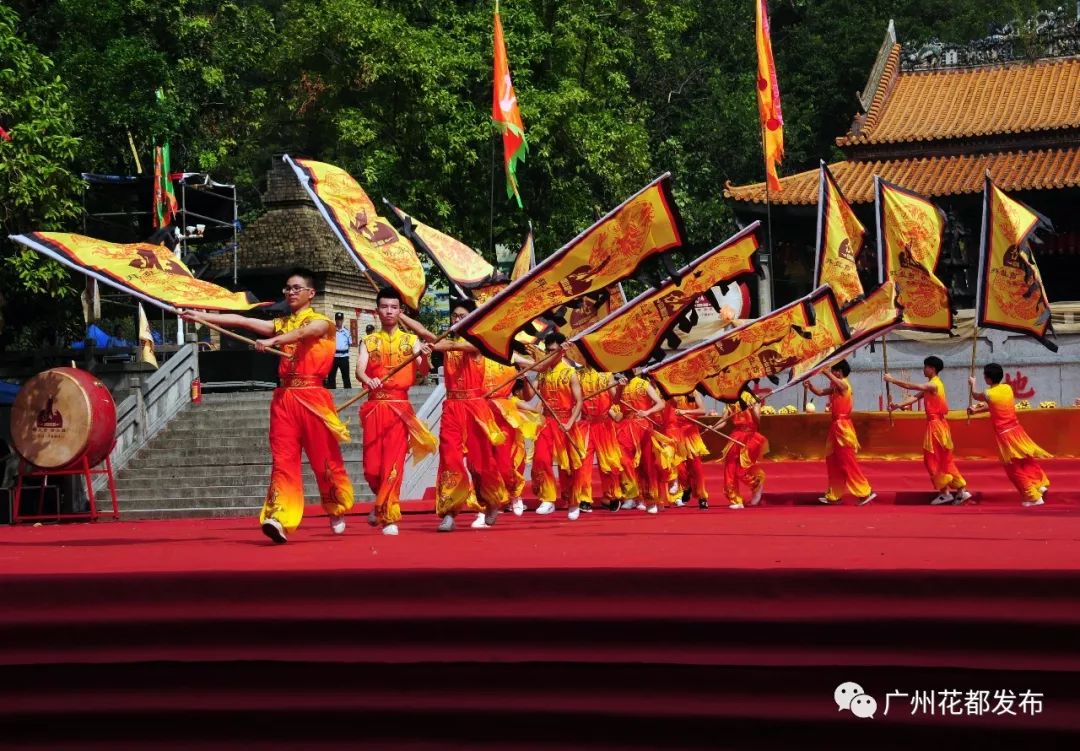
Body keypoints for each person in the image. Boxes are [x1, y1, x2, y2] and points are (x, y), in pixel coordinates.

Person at [181, 268, 354, 543]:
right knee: (283, 460)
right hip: (284, 400)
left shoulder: (322, 322)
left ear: (311, 293)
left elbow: (305, 332)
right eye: (287, 288)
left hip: (313, 398)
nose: (290, 292)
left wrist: (274, 341)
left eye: (296, 288)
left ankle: (335, 507)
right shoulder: (281, 323)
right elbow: (242, 321)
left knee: (324, 461)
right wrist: (201, 316)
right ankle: (280, 517)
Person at [400, 300, 508, 532]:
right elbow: (424, 333)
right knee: (450, 459)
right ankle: (449, 511)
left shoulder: (477, 341)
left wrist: (432, 345)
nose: (457, 320)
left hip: (475, 407)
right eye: (454, 317)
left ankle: (491, 501)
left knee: (480, 464)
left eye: (462, 316)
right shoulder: (447, 341)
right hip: (452, 407)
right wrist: (401, 315)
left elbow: (444, 344)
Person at [355, 287, 438, 536]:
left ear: (400, 311)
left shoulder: (411, 341)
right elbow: (359, 369)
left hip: (400, 409)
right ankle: (381, 503)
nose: (389, 311)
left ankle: (389, 516)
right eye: (384, 307)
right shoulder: (368, 341)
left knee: (393, 464)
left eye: (393, 307)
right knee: (371, 469)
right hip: (374, 408)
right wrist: (368, 380)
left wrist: (424, 357)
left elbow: (424, 371)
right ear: (377, 310)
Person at [884, 356, 971, 505]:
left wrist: (892, 380)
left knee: (932, 459)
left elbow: (912, 387)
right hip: (938, 426)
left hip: (936, 427)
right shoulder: (932, 385)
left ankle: (945, 492)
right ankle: (960, 490)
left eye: (925, 367)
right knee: (943, 459)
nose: (923, 369)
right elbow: (914, 397)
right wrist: (897, 405)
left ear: (932, 369)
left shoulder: (934, 385)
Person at [968, 362, 1051, 507]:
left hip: (1005, 435)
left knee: (1013, 468)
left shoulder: (989, 393)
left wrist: (972, 384)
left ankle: (1033, 497)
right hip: (1017, 431)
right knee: (1025, 460)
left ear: (988, 379)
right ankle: (1039, 484)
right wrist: (976, 411)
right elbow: (994, 405)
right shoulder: (1007, 388)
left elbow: (976, 396)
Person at [530, 333, 589, 519]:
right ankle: (547, 499)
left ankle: (573, 501)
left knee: (570, 465)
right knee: (540, 459)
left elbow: (579, 401)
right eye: (547, 351)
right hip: (546, 421)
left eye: (553, 351)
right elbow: (528, 395)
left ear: (562, 352)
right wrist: (523, 377)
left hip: (566, 421)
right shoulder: (543, 371)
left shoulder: (570, 372)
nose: (549, 354)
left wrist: (570, 422)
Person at [804, 360, 876, 506]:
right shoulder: (836, 387)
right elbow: (820, 392)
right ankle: (834, 495)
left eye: (834, 370)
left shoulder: (844, 384)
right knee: (833, 461)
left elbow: (838, 382)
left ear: (839, 371)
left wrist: (824, 370)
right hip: (835, 427)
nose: (832, 372)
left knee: (847, 461)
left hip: (843, 428)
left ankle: (865, 492)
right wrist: (810, 386)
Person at [615, 373, 673, 513]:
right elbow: (616, 402)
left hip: (643, 426)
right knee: (624, 460)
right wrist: (619, 388)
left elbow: (661, 403)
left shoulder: (644, 384)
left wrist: (648, 412)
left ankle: (651, 498)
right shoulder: (621, 384)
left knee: (647, 464)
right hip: (625, 427)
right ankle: (632, 494)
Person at [578, 365, 625, 512]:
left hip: (604, 424)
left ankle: (611, 496)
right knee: (583, 462)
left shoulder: (607, 374)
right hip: (586, 423)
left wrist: (621, 388)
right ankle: (584, 498)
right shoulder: (578, 375)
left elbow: (615, 399)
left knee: (609, 462)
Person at [720, 386, 768, 510]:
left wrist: (753, 410)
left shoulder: (752, 398)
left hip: (751, 436)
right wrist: (712, 427)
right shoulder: (729, 400)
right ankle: (736, 499)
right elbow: (724, 420)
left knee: (742, 469)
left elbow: (758, 421)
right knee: (729, 467)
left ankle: (756, 482)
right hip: (735, 436)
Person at [666, 392, 712, 510]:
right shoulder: (673, 391)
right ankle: (686, 487)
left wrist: (686, 412)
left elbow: (702, 410)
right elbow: (671, 404)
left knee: (696, 468)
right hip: (676, 433)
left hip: (691, 433)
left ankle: (702, 497)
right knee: (679, 467)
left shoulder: (694, 393)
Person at [326, 311, 352, 389]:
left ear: (343, 320)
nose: (339, 321)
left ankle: (348, 394)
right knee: (331, 376)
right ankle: (332, 394)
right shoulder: (331, 331)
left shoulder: (347, 332)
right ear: (335, 320)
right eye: (337, 320)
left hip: (344, 357)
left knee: (346, 377)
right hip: (333, 356)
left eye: (340, 320)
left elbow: (349, 344)